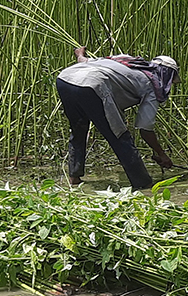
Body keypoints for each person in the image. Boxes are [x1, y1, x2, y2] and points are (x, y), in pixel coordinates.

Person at [55, 47, 180, 190]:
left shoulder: (124, 61)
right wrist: (161, 154)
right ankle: (144, 185)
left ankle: (74, 179)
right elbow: (145, 129)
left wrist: (79, 52)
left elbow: (83, 61)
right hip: (93, 85)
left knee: (78, 130)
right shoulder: (153, 84)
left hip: (65, 79)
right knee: (120, 136)